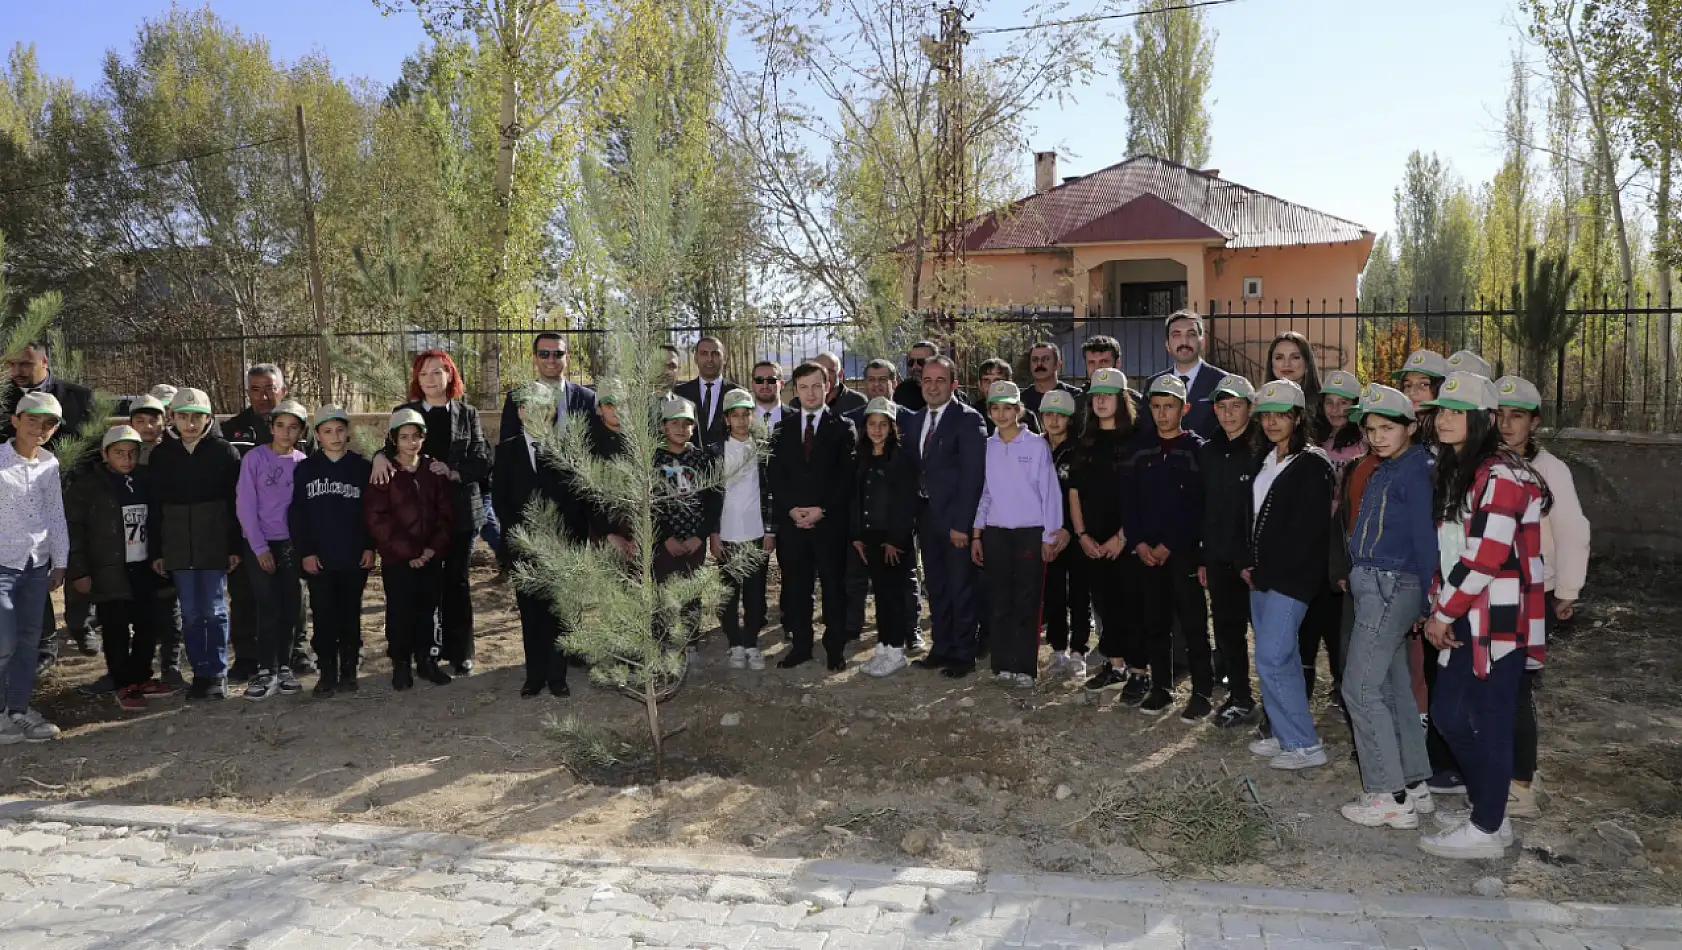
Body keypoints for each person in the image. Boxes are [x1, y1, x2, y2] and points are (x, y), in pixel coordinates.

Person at [1416, 372, 1547, 860]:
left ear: (1483, 419)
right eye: (1442, 410)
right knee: (1449, 715)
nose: (1444, 418)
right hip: (1464, 615)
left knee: (1488, 722)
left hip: (1498, 620)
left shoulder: (1502, 475)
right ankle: (1490, 810)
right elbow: (1450, 551)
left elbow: (1485, 557)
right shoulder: (1460, 470)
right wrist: (1442, 610)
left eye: (1456, 411)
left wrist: (1441, 614)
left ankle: (1488, 827)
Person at [1338, 383, 1439, 829]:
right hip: (1378, 584)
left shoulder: (1415, 472)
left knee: (1359, 688)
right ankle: (1414, 783)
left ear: (1411, 427)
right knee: (1394, 685)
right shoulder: (1388, 468)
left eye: (1387, 428)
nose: (1377, 436)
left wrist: (1431, 599)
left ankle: (1387, 793)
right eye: (1371, 429)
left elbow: (1426, 540)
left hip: (1391, 584)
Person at [1494, 375, 1589, 819]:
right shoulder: (1488, 462)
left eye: (1517, 416)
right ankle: (1502, 769)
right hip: (1491, 589)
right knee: (1492, 686)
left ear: (1535, 422)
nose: (1506, 424)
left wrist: (1567, 590)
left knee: (1517, 687)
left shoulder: (1550, 469)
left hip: (1536, 589)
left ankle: (1522, 784)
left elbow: (1573, 531)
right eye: (1499, 414)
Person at [372, 350, 491, 677]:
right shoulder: (405, 412)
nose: (431, 379)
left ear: (450, 376)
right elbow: (389, 447)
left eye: (438, 372)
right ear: (417, 379)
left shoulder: (467, 414)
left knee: (457, 583)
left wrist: (454, 471)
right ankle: (419, 653)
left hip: (461, 513)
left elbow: (482, 460)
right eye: (424, 373)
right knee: (419, 586)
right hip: (417, 516)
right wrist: (378, 457)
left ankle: (460, 651)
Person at [1243, 379, 1335, 769]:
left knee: (1271, 656)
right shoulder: (1265, 459)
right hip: (1262, 577)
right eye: (1266, 415)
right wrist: (1249, 565)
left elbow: (1307, 531)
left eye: (1282, 414)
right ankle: (1286, 735)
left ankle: (1305, 745)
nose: (1273, 422)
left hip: (1291, 579)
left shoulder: (1313, 464)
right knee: (1281, 659)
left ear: (1298, 418)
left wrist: (1269, 571)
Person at [1120, 375, 1213, 719]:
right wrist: (1140, 542)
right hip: (1146, 553)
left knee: (1193, 622)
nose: (1162, 414)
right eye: (1156, 407)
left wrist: (1171, 544)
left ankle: (1203, 690)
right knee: (1155, 621)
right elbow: (1129, 501)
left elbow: (1200, 507)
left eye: (1169, 407)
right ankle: (1162, 686)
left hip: (1182, 552)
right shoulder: (1140, 449)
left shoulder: (1197, 450)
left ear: (1184, 409)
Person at [66, 426, 175, 712]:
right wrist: (79, 570)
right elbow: (74, 529)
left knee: (147, 625)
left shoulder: (145, 480)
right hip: (109, 567)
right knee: (115, 628)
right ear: (105, 454)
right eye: (119, 453)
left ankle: (141, 677)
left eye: (132, 453)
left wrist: (159, 555)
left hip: (143, 564)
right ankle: (123, 682)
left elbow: (158, 521)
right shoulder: (89, 486)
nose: (126, 459)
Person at [6, 340, 98, 670]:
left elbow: (91, 447)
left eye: (24, 364)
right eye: (11, 365)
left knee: (76, 560)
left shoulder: (79, 397)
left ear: (44, 361)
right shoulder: (5, 400)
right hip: (23, 498)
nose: (16, 372)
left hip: (74, 492)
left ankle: (81, 624)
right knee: (35, 570)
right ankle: (46, 642)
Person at [146, 388, 242, 702]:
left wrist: (234, 546)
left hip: (213, 545)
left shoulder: (224, 452)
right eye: (183, 416)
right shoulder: (161, 456)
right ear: (171, 418)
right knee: (190, 612)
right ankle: (200, 672)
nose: (190, 424)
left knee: (214, 610)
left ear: (208, 418)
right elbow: (155, 505)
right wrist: (158, 551)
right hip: (177, 547)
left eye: (197, 417)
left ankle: (217, 672)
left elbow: (234, 502)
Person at [496, 384, 589, 698]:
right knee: (531, 613)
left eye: (543, 407)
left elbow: (577, 500)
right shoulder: (507, 450)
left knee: (558, 613)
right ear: (521, 412)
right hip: (524, 547)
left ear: (551, 413)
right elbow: (501, 502)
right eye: (529, 407)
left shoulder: (565, 448)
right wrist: (519, 538)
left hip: (560, 546)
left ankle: (557, 675)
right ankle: (534, 676)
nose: (536, 413)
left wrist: (565, 540)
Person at [224, 363, 313, 681]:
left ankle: (295, 654)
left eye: (269, 388)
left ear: (283, 390)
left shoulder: (304, 435)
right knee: (247, 596)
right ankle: (249, 658)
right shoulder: (234, 430)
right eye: (255, 389)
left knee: (293, 596)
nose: (262, 396)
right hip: (247, 532)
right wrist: (238, 539)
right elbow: (233, 493)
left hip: (290, 537)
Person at [972, 381, 1062, 689]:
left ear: (1018, 410)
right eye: (995, 408)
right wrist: (976, 532)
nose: (1001, 413)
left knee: (1027, 600)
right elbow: (986, 492)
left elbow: (1050, 493)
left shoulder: (1036, 445)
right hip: (996, 534)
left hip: (1029, 533)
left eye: (1008, 407)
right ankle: (1003, 664)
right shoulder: (989, 446)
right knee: (1000, 600)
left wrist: (1049, 537)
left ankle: (1025, 666)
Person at [768, 363, 857, 670]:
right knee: (796, 589)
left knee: (833, 589)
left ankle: (835, 649)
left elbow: (847, 477)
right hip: (792, 525)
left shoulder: (843, 426)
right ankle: (801, 647)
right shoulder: (782, 428)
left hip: (829, 525)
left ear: (828, 387)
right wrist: (791, 508)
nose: (810, 393)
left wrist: (823, 510)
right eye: (804, 387)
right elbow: (775, 475)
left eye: (816, 386)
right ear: (795, 390)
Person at [905, 357, 987, 679]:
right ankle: (941, 648)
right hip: (926, 518)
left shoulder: (968, 421)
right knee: (936, 586)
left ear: (954, 384)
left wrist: (962, 525)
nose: (933, 386)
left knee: (960, 588)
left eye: (941, 380)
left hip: (955, 522)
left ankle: (964, 654)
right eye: (927, 380)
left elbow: (972, 477)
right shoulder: (914, 421)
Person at [366, 408, 456, 690]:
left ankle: (427, 660)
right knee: (400, 610)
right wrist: (409, 552)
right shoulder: (385, 474)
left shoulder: (433, 471)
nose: (411, 442)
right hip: (398, 560)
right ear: (394, 439)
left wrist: (430, 550)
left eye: (416, 436)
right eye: (404, 437)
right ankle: (401, 663)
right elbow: (377, 519)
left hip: (430, 557)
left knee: (429, 608)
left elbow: (446, 515)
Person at [288, 406, 375, 696]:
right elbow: (298, 514)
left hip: (352, 555)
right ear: (317, 435)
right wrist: (307, 552)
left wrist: (369, 545)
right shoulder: (306, 469)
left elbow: (371, 513)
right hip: (320, 558)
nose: (335, 436)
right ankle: (327, 672)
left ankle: (349, 670)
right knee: (323, 615)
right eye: (327, 431)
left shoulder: (361, 468)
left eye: (340, 430)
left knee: (349, 614)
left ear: (348, 432)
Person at [0, 392, 71, 743]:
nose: (39, 428)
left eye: (49, 424)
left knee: (29, 640)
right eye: (32, 420)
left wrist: (61, 561)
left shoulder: (49, 464)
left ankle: (18, 709)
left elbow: (55, 515)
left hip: (34, 566)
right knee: (4, 642)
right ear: (16, 420)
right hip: (2, 565)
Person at [1077, 368, 1147, 700]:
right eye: (1096, 396)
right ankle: (1116, 665)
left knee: (1132, 605)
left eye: (1108, 395)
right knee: (1105, 605)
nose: (1101, 401)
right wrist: (1082, 535)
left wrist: (1123, 536)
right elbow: (1074, 491)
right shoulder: (1086, 440)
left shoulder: (1137, 438)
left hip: (1127, 539)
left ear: (1122, 400)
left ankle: (1139, 672)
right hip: (1093, 540)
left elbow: (1144, 495)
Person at [1198, 374, 1262, 728]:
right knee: (1227, 631)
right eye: (1221, 407)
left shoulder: (1263, 449)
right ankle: (1240, 697)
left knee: (1267, 637)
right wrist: (1204, 557)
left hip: (1255, 561)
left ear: (1250, 408)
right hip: (1220, 558)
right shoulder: (1209, 450)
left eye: (1236, 406)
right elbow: (1203, 508)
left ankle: (1277, 707)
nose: (1228, 414)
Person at [852, 397, 918, 677]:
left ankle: (895, 651)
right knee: (880, 594)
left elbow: (906, 504)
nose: (877, 430)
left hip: (893, 541)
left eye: (883, 425)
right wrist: (857, 535)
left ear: (892, 428)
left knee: (893, 596)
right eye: (872, 424)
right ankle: (883, 645)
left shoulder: (901, 458)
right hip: (870, 537)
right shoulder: (862, 455)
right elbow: (855, 498)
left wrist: (896, 539)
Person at [712, 389, 776, 672]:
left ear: (753, 416)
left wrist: (771, 531)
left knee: (755, 594)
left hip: (756, 533)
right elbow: (710, 497)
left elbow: (771, 493)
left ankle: (751, 641)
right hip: (726, 534)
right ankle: (734, 642)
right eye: (735, 415)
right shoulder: (715, 451)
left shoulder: (763, 449)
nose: (740, 420)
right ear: (727, 419)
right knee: (728, 593)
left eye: (745, 414)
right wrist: (713, 534)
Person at [652, 397, 720, 648]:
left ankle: (690, 641)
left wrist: (699, 536)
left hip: (694, 540)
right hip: (664, 542)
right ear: (663, 426)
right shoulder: (653, 460)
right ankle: (662, 643)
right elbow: (650, 505)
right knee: (664, 590)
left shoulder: (702, 459)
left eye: (687, 423)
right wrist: (665, 537)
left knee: (692, 592)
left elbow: (712, 502)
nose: (681, 428)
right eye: (674, 423)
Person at [1039, 390, 1089, 680]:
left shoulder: (1080, 449)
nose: (1053, 420)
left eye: (1059, 415)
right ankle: (1058, 650)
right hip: (1047, 534)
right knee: (1053, 592)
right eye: (1048, 414)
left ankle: (1079, 651)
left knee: (1079, 594)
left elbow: (1083, 495)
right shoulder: (1036, 446)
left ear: (1070, 419)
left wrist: (1071, 530)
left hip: (1073, 533)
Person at [499, 332, 599, 444]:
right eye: (544, 354)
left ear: (567, 358)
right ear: (535, 359)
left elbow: (596, 445)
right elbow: (506, 448)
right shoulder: (516, 398)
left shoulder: (587, 398)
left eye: (558, 354)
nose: (551, 360)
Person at [1148, 311, 1228, 439]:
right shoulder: (1153, 384)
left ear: (1202, 343)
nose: (1184, 341)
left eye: (1191, 334)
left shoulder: (1222, 382)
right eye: (1176, 335)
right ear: (1167, 345)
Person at [673, 336, 739, 448]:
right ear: (695, 358)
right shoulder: (679, 394)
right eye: (704, 353)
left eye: (715, 353)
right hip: (689, 462)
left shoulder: (738, 394)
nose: (710, 359)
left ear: (725, 358)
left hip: (730, 462)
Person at [1393, 349, 1450, 446]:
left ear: (1442, 387)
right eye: (1408, 385)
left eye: (1424, 384)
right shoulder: (1402, 427)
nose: (1412, 392)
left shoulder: (1449, 431)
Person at [976, 359, 1040, 435]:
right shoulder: (972, 416)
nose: (993, 386)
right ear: (980, 385)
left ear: (1009, 383)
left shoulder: (1026, 417)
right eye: (987, 381)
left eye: (998, 381)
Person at [1022, 341, 1083, 419]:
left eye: (1046, 359)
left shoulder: (1076, 396)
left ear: (1058, 365)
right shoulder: (1022, 400)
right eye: (1035, 360)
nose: (1039, 364)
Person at [812, 351, 867, 416]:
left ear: (841, 374)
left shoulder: (857, 402)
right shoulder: (802, 402)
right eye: (819, 370)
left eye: (830, 371)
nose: (824, 375)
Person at [894, 341, 939, 411]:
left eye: (921, 362)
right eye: (911, 362)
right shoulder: (902, 391)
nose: (914, 367)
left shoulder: (946, 392)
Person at [749, 360, 789, 432]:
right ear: (752, 384)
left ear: (782, 384)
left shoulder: (798, 418)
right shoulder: (741, 419)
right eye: (759, 380)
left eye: (771, 380)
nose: (765, 385)